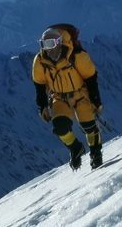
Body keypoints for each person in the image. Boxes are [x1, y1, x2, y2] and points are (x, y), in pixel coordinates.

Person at [32, 24, 104, 170]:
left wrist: (95, 100)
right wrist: (43, 106)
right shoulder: (40, 62)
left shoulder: (76, 56)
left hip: (80, 94)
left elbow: (90, 78)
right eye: (44, 44)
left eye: (51, 44)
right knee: (60, 128)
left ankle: (96, 153)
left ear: (59, 42)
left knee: (88, 126)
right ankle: (75, 148)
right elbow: (39, 85)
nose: (48, 48)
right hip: (58, 97)